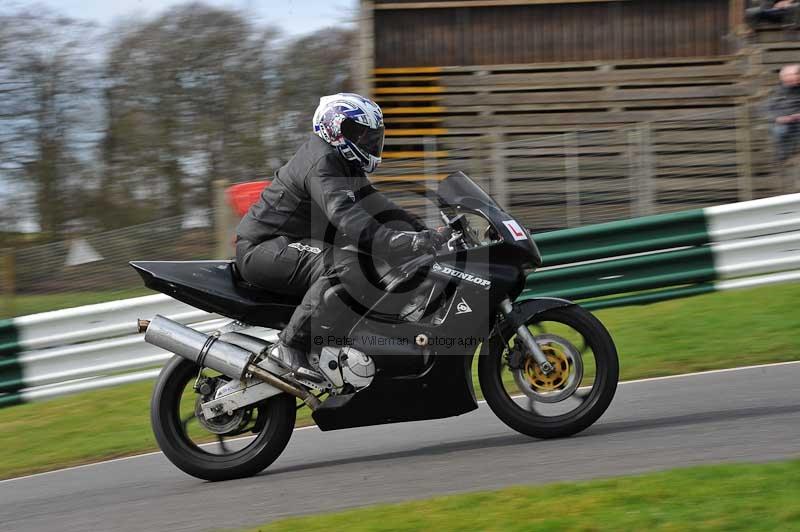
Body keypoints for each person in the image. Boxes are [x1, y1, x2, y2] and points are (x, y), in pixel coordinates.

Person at [235, 93, 448, 382]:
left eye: (372, 135)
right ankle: (290, 346)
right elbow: (348, 218)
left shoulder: (342, 162)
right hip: (265, 247)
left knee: (368, 263)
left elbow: (375, 204)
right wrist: (399, 241)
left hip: (290, 244)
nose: (369, 140)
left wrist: (421, 230)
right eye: (360, 133)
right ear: (336, 128)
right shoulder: (322, 162)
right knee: (346, 264)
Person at [768, 64, 800, 169]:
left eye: (794, 75)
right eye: (787, 76)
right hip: (785, 122)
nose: (791, 78)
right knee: (780, 130)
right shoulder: (778, 91)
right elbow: (768, 108)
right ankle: (783, 158)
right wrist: (778, 118)